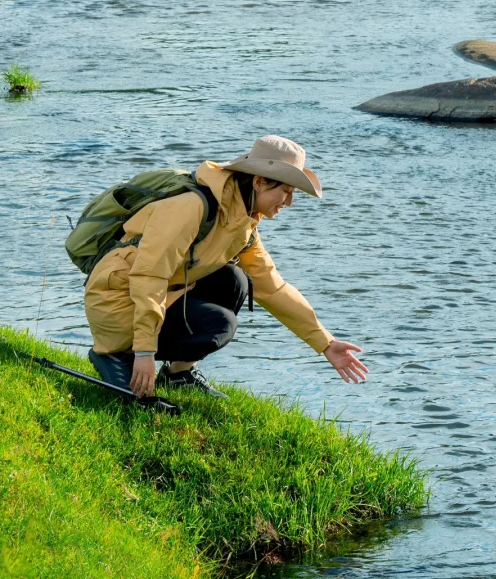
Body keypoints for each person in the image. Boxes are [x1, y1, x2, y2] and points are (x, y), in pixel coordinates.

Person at [84, 134, 367, 398]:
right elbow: (150, 276)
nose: (289, 202)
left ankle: (178, 375)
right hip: (116, 303)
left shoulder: (243, 223)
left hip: (151, 295)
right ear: (259, 182)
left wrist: (326, 344)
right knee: (219, 325)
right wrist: (145, 351)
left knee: (235, 281)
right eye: (286, 191)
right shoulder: (190, 207)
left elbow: (273, 289)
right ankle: (116, 353)